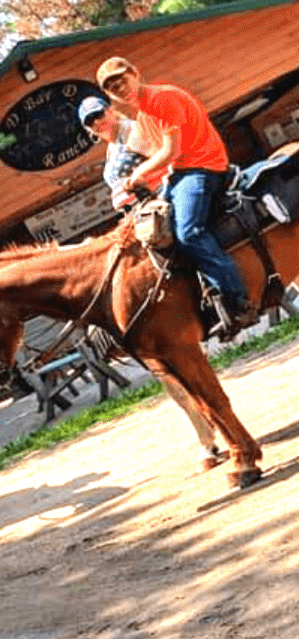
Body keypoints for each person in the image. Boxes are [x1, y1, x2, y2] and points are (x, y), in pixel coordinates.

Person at [78, 95, 226, 471]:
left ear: (110, 110)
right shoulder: (111, 149)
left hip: (161, 206)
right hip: (137, 218)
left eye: (98, 115)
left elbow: (167, 158)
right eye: (89, 123)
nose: (96, 124)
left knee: (184, 246)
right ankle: (205, 435)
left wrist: (141, 184)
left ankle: (214, 295)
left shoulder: (134, 132)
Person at [96, 56, 259, 338]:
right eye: (111, 86)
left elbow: (171, 151)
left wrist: (138, 176)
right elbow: (151, 152)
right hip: (182, 171)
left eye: (122, 78)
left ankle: (239, 300)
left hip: (204, 166)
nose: (119, 87)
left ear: (136, 72)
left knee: (188, 233)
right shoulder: (142, 113)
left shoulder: (162, 99)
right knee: (157, 229)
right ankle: (207, 296)